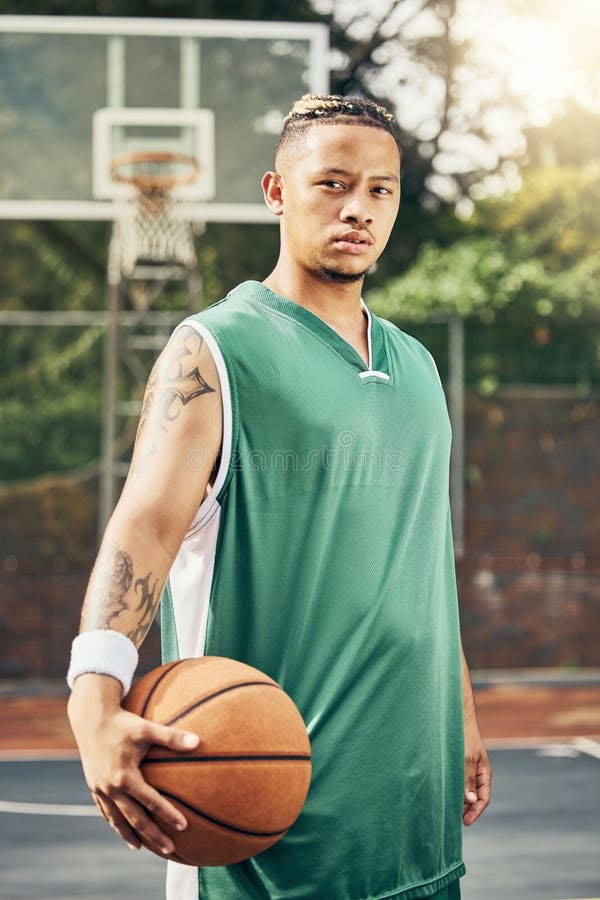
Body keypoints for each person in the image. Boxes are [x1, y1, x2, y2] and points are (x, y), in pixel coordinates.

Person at [67, 94, 491, 900]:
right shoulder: (217, 349)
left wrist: (459, 709)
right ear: (276, 192)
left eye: (380, 189)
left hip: (415, 819)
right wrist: (93, 694)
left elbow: (419, 559)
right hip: (267, 827)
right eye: (331, 183)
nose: (358, 208)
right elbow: (146, 529)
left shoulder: (419, 366)